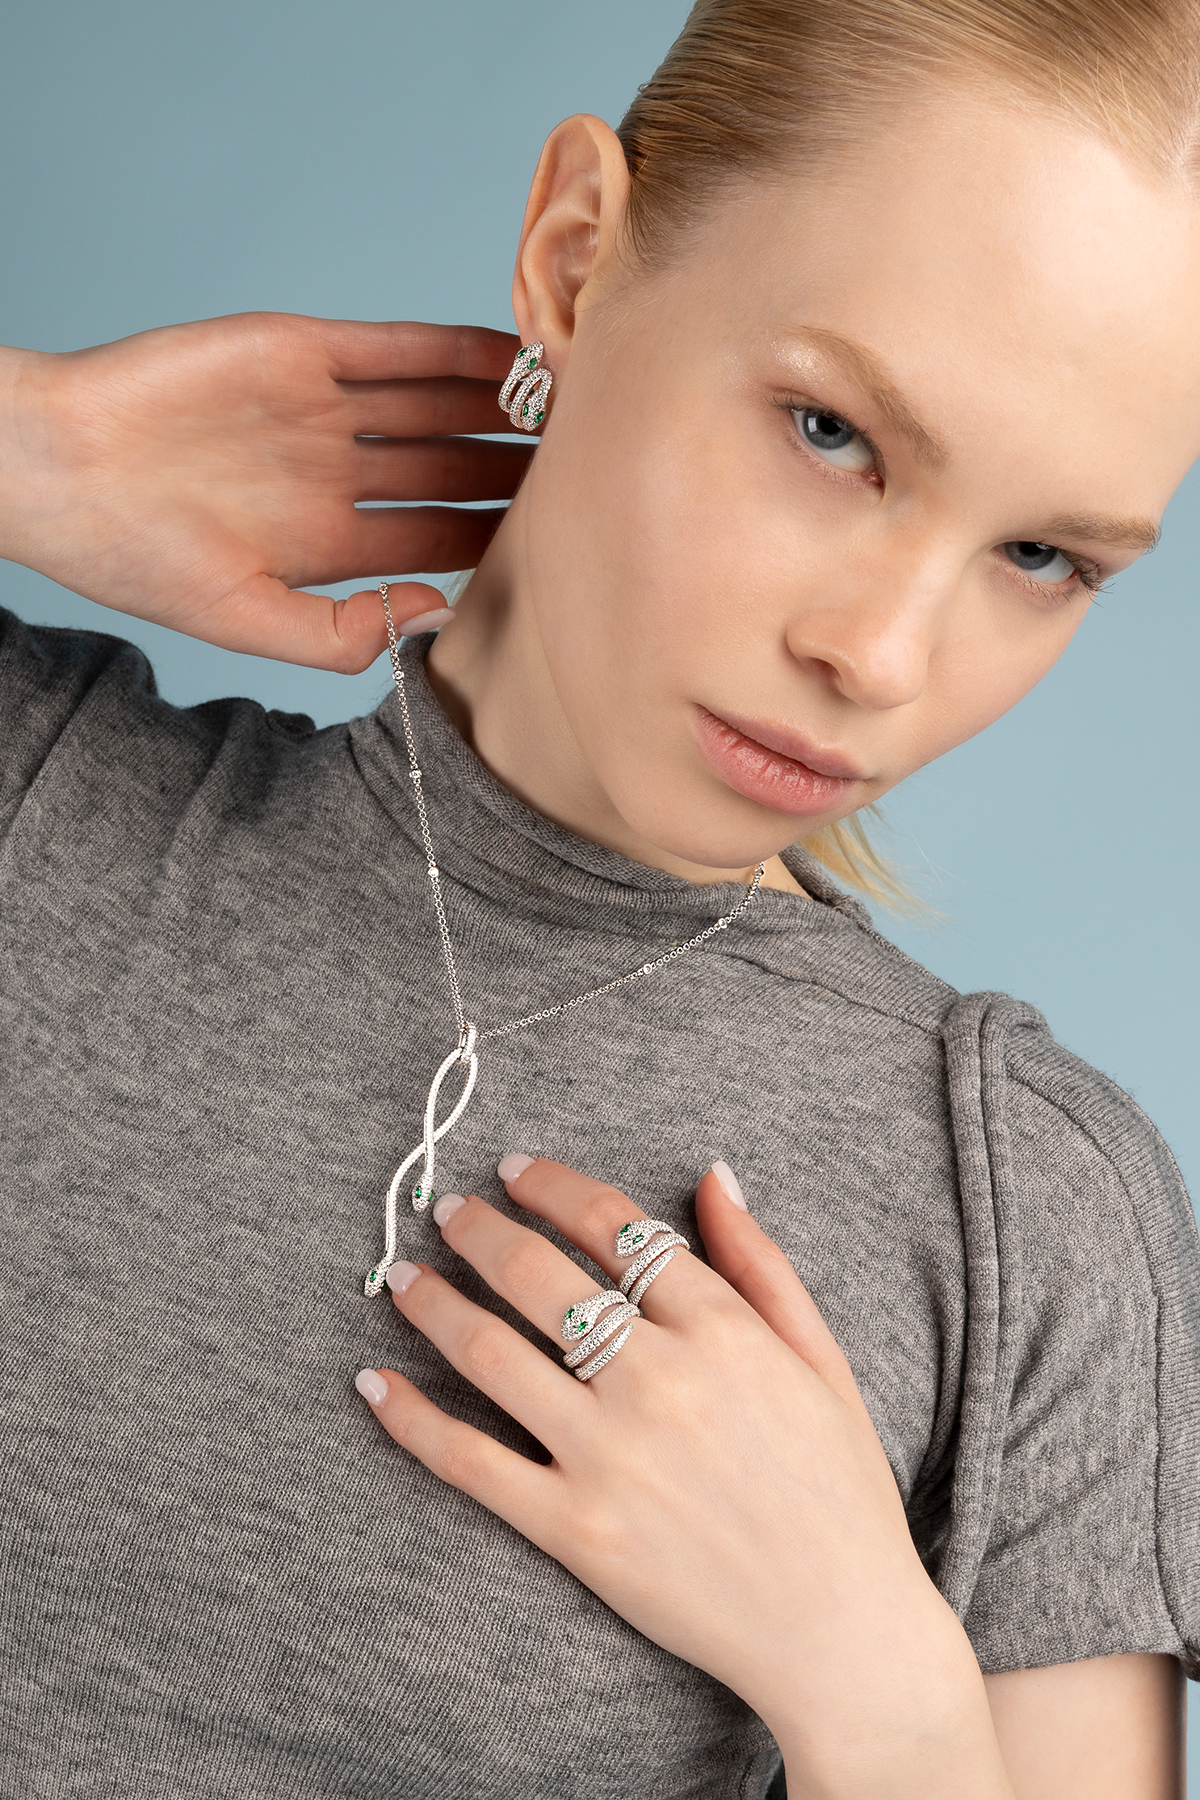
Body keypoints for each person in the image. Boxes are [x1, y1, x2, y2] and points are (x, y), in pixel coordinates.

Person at [2, 1, 1198, 1795]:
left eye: (1042, 556)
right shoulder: (39, 799)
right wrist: (36, 443)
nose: (880, 656)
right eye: (831, 431)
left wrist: (880, 1693)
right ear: (574, 260)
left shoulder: (1024, 1211)